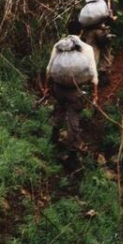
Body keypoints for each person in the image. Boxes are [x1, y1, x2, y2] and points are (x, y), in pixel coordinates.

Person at [44, 20, 98, 169]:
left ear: (67, 30)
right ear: (81, 32)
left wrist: (46, 87)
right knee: (73, 119)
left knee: (59, 109)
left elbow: (49, 69)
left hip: (59, 89)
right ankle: (72, 156)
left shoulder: (59, 45)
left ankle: (53, 139)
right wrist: (95, 94)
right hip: (76, 91)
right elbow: (93, 74)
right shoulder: (86, 48)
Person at [82, 0, 117, 86]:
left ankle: (89, 78)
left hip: (89, 31)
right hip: (103, 30)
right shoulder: (108, 0)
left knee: (92, 54)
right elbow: (113, 17)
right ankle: (103, 76)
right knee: (106, 51)